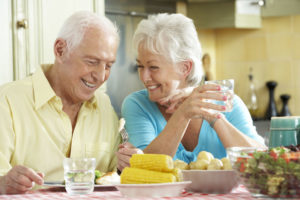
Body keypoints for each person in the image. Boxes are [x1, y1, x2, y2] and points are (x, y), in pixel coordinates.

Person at [116, 13, 265, 171]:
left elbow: (262, 163)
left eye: (153, 67)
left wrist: (214, 117)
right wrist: (182, 114)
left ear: (185, 68)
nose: (144, 77)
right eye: (140, 66)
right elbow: (147, 168)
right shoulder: (137, 105)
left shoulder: (225, 101)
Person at [0, 11, 121, 194]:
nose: (101, 75)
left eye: (109, 65)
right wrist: (2, 184)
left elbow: (115, 177)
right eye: (92, 62)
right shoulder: (8, 100)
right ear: (60, 50)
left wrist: (127, 163)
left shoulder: (104, 105)